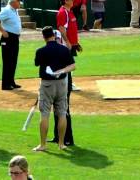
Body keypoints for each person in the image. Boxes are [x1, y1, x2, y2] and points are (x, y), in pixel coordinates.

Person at [33, 26, 75, 151]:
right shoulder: (63, 49)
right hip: (62, 84)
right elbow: (72, 66)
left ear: (43, 37)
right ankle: (61, 144)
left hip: (47, 85)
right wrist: (62, 70)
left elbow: (37, 63)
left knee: (45, 114)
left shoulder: (40, 51)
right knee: (62, 113)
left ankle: (43, 145)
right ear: (54, 35)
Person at [49, 0, 80, 146]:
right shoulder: (63, 12)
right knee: (62, 100)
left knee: (61, 100)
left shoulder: (70, 12)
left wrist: (74, 44)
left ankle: (63, 137)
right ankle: (62, 137)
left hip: (67, 51)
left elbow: (69, 30)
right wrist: (68, 43)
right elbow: (62, 29)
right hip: (64, 53)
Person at [0, 0, 22, 90]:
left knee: (13, 60)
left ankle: (11, 82)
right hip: (8, 38)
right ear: (13, 2)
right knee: (7, 61)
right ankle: (5, 84)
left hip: (14, 38)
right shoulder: (7, 10)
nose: (20, 3)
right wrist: (2, 31)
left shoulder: (14, 10)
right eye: (18, 1)